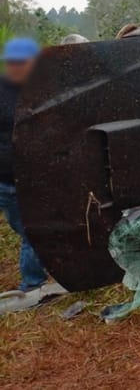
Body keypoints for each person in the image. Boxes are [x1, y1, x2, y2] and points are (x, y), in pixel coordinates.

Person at [0, 37, 47, 292]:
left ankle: (33, 282)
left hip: (27, 179)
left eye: (22, 62)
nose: (16, 66)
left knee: (31, 231)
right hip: (7, 179)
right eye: (12, 62)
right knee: (32, 232)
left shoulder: (41, 91)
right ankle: (32, 284)